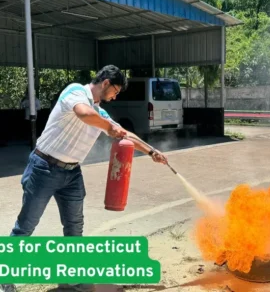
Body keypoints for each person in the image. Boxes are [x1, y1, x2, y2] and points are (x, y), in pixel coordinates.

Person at [1, 65, 167, 292]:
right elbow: (83, 113)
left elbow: (123, 133)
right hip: (44, 167)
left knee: (74, 226)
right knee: (26, 225)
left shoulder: (101, 112)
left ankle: (74, 276)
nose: (115, 96)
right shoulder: (75, 92)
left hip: (72, 174)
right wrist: (109, 127)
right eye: (115, 91)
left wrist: (151, 151)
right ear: (106, 82)